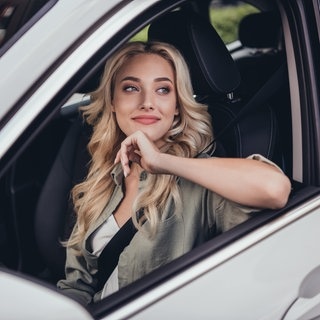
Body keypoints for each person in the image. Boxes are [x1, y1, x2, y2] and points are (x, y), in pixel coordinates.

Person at [57, 41, 291, 305]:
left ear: (178, 105)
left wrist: (162, 161)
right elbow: (76, 285)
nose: (147, 103)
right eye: (131, 88)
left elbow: (275, 190)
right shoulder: (103, 176)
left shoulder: (199, 181)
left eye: (163, 90)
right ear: (112, 101)